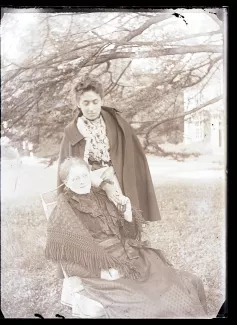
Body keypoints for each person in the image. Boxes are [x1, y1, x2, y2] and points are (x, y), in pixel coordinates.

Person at [45, 157, 208, 319]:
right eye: (75, 178)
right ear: (66, 183)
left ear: (89, 175)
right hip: (104, 271)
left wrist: (127, 213)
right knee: (147, 304)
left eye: (84, 175)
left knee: (184, 283)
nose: (82, 181)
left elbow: (129, 236)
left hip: (130, 257)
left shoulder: (103, 197)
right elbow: (67, 260)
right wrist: (100, 273)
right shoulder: (65, 212)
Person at [57, 76, 160, 222]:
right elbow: (71, 169)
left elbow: (130, 154)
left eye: (95, 102)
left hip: (118, 177)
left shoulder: (116, 123)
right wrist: (104, 185)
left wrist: (113, 170)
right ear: (78, 105)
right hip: (90, 182)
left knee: (125, 216)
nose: (91, 108)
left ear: (102, 101)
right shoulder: (73, 132)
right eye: (85, 103)